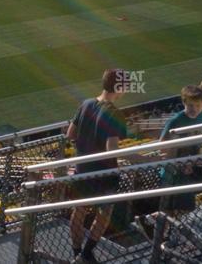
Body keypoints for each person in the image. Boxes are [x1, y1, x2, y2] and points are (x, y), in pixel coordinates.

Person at [67, 69, 131, 263]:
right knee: (104, 213)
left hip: (82, 170)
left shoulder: (86, 104)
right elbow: (111, 150)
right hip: (104, 175)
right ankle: (87, 252)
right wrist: (138, 158)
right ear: (119, 88)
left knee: (79, 211)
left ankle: (77, 252)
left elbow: (70, 134)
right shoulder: (114, 113)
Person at [158, 85, 202, 213]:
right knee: (166, 208)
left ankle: (170, 230)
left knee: (185, 208)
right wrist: (180, 163)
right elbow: (162, 148)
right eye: (191, 105)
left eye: (198, 106)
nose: (194, 109)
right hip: (171, 170)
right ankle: (157, 227)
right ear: (183, 102)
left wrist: (196, 159)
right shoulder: (175, 121)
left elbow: (200, 141)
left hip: (188, 169)